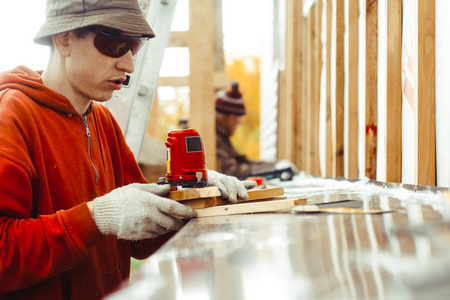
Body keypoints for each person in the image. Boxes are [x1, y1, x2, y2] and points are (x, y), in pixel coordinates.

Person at [0, 1, 255, 299]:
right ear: (63, 39)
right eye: (113, 43)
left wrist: (196, 196)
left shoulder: (102, 120)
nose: (128, 64)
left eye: (134, 47)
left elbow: (139, 239)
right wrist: (96, 217)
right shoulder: (11, 119)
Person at [215, 81, 297, 180]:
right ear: (230, 118)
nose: (240, 122)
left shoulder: (222, 136)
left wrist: (276, 165)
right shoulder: (213, 139)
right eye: (238, 118)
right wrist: (275, 168)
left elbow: (244, 163)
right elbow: (233, 171)